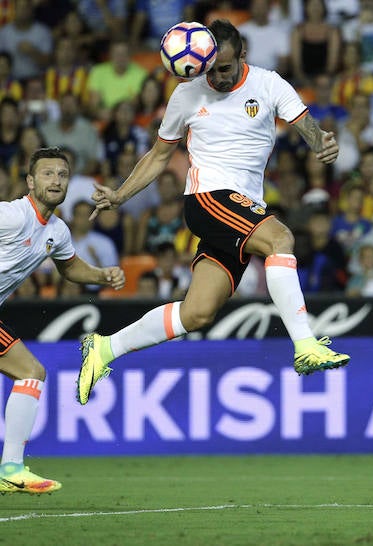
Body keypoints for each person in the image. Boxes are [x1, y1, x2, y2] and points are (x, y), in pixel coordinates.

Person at [79, 20, 349, 407]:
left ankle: (104, 349)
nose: (216, 77)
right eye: (209, 69)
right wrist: (120, 195)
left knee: (198, 313)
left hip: (243, 209)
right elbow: (158, 155)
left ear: (242, 55)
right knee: (281, 239)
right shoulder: (187, 94)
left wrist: (321, 141)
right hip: (208, 198)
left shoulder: (269, 83)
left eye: (224, 68)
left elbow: (305, 124)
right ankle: (306, 344)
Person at [0, 147, 125, 493]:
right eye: (47, 173)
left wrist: (102, 275)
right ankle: (11, 468)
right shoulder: (12, 216)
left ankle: (11, 468)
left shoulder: (57, 230)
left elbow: (70, 268)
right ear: (29, 181)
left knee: (31, 373)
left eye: (62, 174)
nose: (56, 180)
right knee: (31, 372)